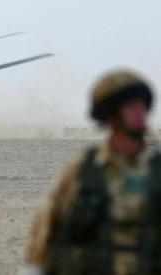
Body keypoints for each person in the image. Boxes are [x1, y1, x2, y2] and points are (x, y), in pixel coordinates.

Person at [24, 69, 161, 275]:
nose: (140, 113)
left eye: (143, 106)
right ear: (110, 116)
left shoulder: (156, 169)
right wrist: (34, 269)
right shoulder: (82, 168)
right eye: (131, 107)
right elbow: (48, 224)